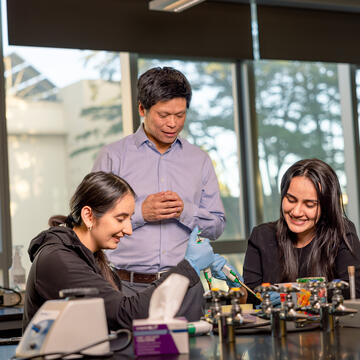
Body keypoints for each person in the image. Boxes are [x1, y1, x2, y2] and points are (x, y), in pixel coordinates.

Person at [92, 67, 226, 320]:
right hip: (126, 288)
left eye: (180, 114)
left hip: (187, 288)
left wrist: (185, 211)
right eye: (164, 115)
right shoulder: (112, 157)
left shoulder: (199, 160)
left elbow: (216, 227)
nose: (173, 123)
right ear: (142, 109)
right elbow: (92, 226)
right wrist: (141, 212)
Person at [23, 171, 216, 330]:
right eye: (120, 218)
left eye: (130, 218)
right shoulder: (58, 259)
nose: (129, 230)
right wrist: (189, 267)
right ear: (89, 216)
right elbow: (127, 314)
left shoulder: (90, 259)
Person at [243, 158, 360, 303]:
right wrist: (240, 290)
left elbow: (354, 289)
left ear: (327, 206)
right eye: (291, 200)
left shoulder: (342, 232)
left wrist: (294, 296)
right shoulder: (261, 236)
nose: (297, 212)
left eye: (309, 204)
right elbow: (251, 297)